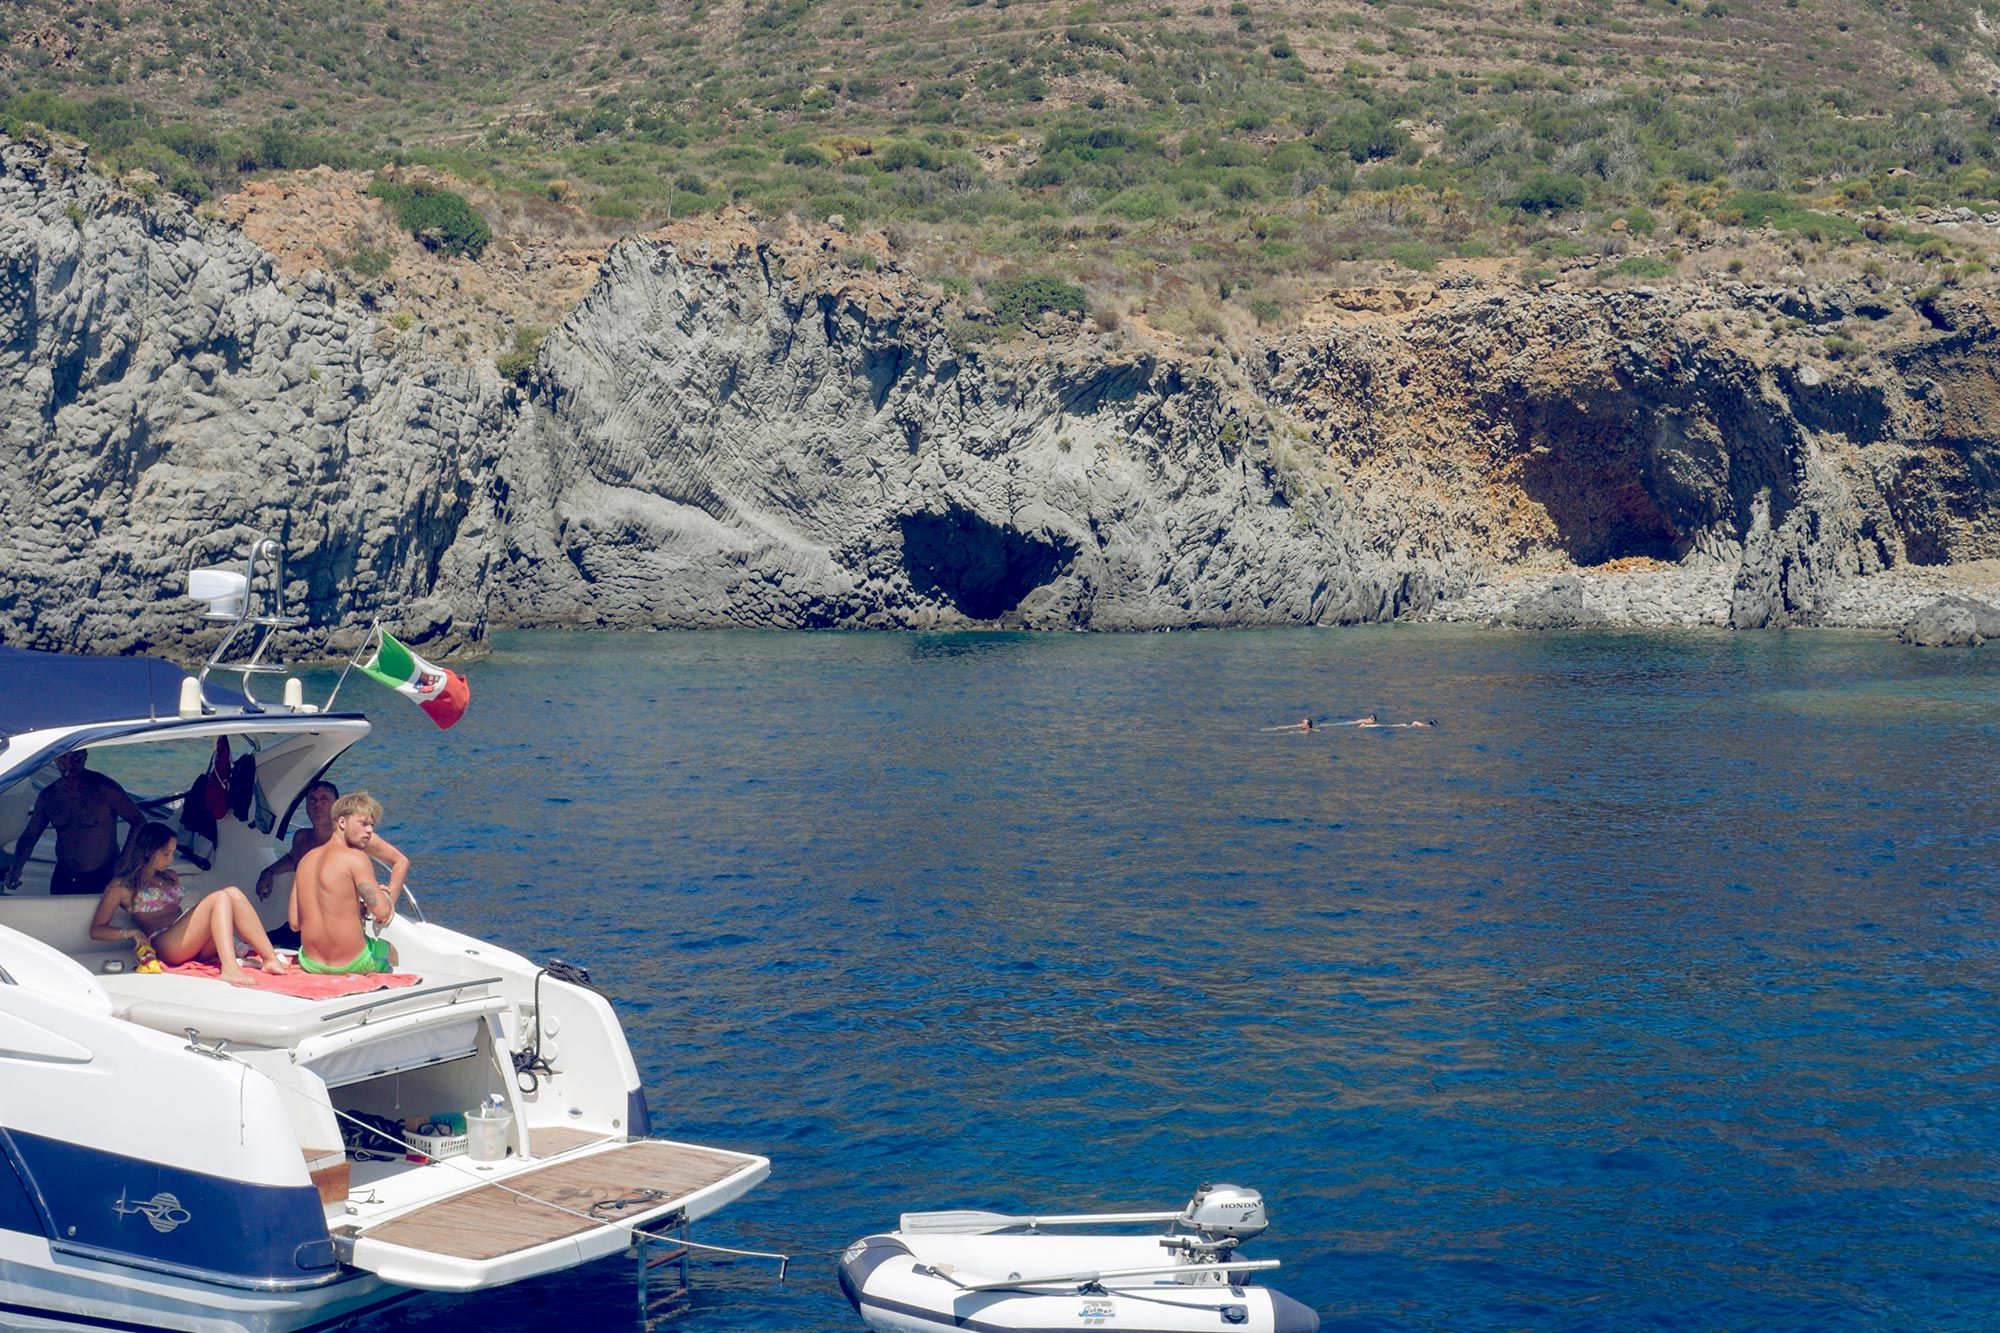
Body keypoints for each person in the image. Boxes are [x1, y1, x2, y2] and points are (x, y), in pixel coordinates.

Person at [87, 822, 291, 987]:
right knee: (220, 897)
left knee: (233, 893)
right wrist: (131, 932)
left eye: (173, 853)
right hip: (166, 945)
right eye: (166, 853)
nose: (171, 859)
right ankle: (229, 968)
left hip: (192, 941)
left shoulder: (170, 876)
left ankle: (269, 958)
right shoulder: (122, 886)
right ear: (148, 851)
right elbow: (97, 930)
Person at [6, 750, 143, 896]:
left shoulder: (105, 789)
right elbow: (30, 836)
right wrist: (16, 868)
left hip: (102, 875)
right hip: (63, 875)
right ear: (56, 760)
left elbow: (138, 822)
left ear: (85, 756)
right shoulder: (49, 796)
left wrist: (122, 863)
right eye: (64, 758)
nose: (70, 763)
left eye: (76, 757)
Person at [294, 792, 402, 975]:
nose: (370, 831)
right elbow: (382, 911)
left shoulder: (305, 860)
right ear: (342, 822)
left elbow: (295, 923)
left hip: (310, 962)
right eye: (364, 824)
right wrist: (385, 893)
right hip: (352, 963)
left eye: (372, 826)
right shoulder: (356, 858)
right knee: (391, 952)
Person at [257, 780, 408, 903]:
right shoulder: (302, 838)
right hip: (307, 922)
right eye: (312, 800)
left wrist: (389, 899)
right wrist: (269, 872)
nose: (317, 804)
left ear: (337, 806)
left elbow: (401, 861)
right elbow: (293, 859)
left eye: (324, 799)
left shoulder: (354, 836)